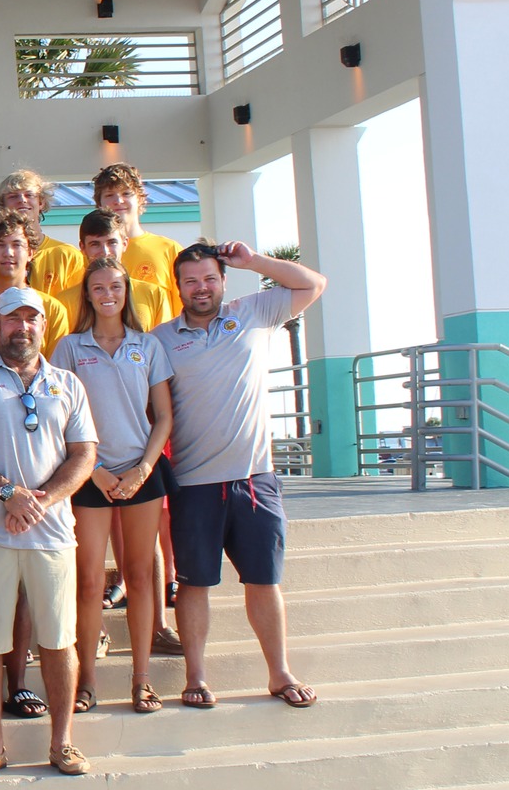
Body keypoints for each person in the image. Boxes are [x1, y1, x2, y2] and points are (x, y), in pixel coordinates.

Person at [0, 288, 99, 779]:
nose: (22, 327)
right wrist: (10, 494)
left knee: (57, 639)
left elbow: (84, 454)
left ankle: (62, 742)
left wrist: (41, 501)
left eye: (32, 319)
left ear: (44, 327)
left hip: (51, 532)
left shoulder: (67, 383)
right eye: (12, 319)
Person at [159, 241, 326, 711]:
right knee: (193, 584)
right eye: (190, 280)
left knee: (264, 581)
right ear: (179, 287)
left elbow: (313, 284)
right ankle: (195, 677)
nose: (201, 288)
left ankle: (279, 672)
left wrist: (253, 262)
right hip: (192, 484)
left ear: (224, 279)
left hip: (256, 480)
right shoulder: (161, 340)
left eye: (209, 278)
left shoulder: (253, 312)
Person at [55, 257, 174, 715]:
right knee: (87, 582)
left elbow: (162, 416)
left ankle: (141, 680)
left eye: (116, 286)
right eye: (98, 286)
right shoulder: (69, 348)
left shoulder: (148, 346)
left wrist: (144, 468)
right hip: (90, 476)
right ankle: (86, 681)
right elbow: (61, 416)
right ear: (87, 294)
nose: (108, 293)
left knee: (141, 577)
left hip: (140, 474)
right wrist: (96, 470)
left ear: (127, 293)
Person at [52, 210, 175, 329]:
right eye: (95, 244)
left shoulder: (154, 294)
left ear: (125, 244)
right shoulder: (64, 301)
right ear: (82, 247)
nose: (105, 252)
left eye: (112, 243)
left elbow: (163, 344)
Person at [0, 209, 71, 357]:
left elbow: (56, 369)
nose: (8, 252)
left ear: (31, 253)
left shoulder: (52, 309)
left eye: (17, 245)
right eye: (0, 244)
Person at [94, 163, 183, 311]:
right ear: (99, 204)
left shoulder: (169, 249)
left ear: (140, 199)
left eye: (126, 194)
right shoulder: (91, 254)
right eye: (109, 195)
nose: (118, 200)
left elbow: (183, 309)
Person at [0, 169, 83, 298]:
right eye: (13, 196)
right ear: (2, 205)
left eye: (29, 195)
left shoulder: (67, 256)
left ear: (41, 202)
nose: (22, 200)